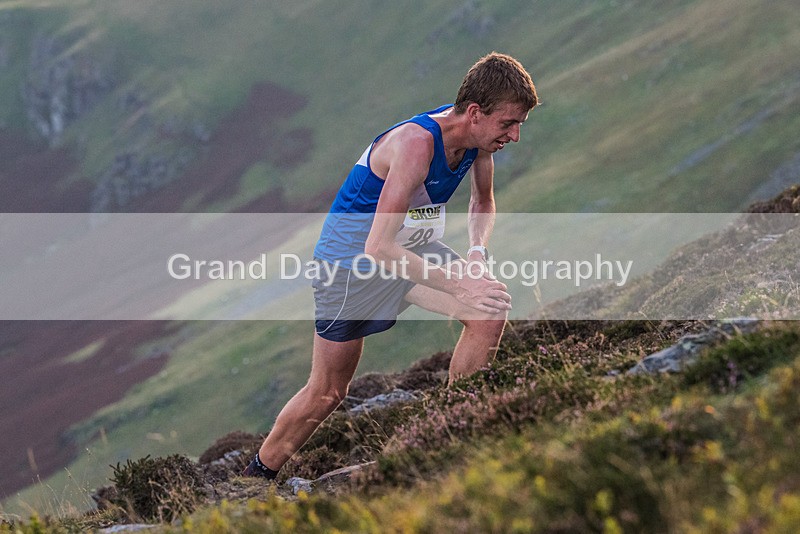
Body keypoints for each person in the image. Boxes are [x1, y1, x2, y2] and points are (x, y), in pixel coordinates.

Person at [243, 52, 538, 479]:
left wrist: (476, 255)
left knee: (488, 308)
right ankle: (255, 478)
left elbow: (483, 202)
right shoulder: (416, 145)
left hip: (408, 250)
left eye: (519, 126)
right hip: (351, 265)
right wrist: (458, 285)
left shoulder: (476, 141)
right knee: (327, 393)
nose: (514, 136)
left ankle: (451, 437)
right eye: (508, 124)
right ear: (475, 113)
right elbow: (377, 248)